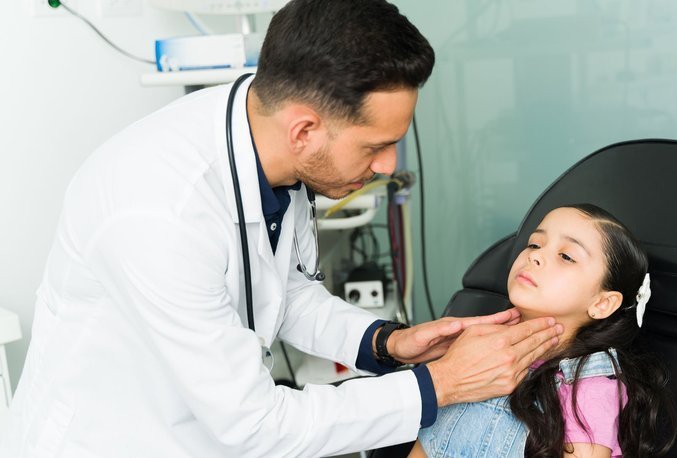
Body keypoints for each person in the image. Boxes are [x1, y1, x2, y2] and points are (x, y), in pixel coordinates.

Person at [1, 0, 567, 456]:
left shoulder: (269, 140)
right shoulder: (157, 214)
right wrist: (442, 384)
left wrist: (387, 344)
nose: (389, 165)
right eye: (376, 146)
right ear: (304, 131)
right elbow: (253, 425)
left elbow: (282, 289)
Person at [411, 204, 677, 457]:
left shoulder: (590, 388)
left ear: (602, 303)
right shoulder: (475, 351)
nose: (535, 256)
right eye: (534, 244)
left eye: (566, 256)